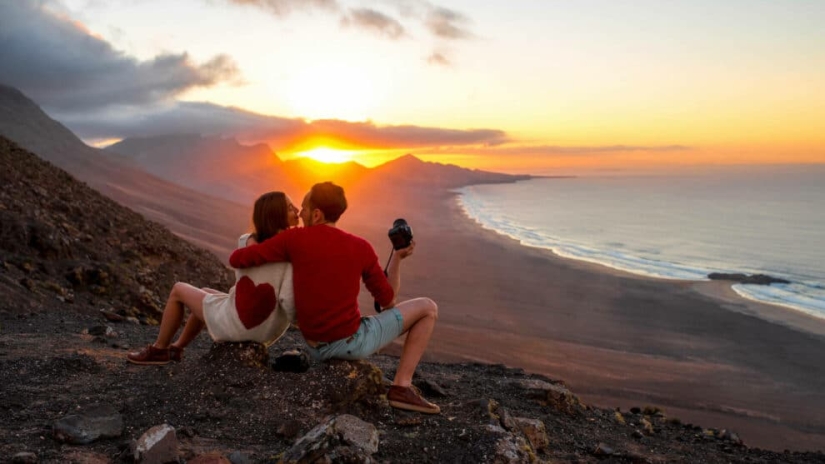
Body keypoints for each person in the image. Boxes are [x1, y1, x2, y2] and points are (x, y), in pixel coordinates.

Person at [229, 182, 440, 414]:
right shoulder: (361, 247)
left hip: (314, 347)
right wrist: (398, 258)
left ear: (317, 214)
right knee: (428, 308)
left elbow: (238, 259)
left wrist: (251, 242)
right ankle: (401, 387)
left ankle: (401, 387)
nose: (300, 213)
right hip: (349, 345)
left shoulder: (293, 240)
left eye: (304, 208)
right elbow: (388, 301)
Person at [127, 191, 300, 365]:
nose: (297, 210)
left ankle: (159, 350)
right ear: (276, 214)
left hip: (239, 325)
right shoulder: (290, 255)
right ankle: (177, 348)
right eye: (290, 207)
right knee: (206, 294)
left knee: (178, 289)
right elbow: (289, 300)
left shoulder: (246, 243)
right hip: (264, 330)